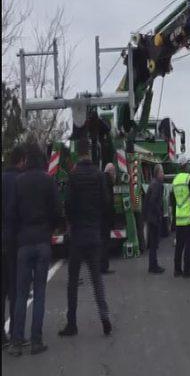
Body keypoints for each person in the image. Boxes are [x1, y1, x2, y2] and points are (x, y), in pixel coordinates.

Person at [9, 143, 62, 356]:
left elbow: (11, 213)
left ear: (26, 160)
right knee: (39, 293)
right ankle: (36, 341)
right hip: (42, 241)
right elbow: (57, 210)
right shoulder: (48, 181)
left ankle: (16, 342)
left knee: (21, 294)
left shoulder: (19, 182)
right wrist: (50, 228)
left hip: (24, 243)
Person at [58, 138, 112, 338]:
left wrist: (71, 224)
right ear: (89, 153)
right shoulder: (98, 176)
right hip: (94, 234)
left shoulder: (73, 176)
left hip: (78, 236)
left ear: (77, 154)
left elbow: (68, 205)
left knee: (73, 282)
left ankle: (72, 324)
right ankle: (105, 319)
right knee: (97, 280)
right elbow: (106, 203)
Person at [2, 145, 26, 350]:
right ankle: (16, 334)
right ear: (21, 161)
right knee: (16, 289)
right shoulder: (19, 181)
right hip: (15, 242)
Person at [171, 157, 190, 278]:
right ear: (185, 166)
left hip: (179, 217)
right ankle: (187, 270)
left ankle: (177, 270)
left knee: (179, 245)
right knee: (189, 244)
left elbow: (173, 201)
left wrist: (174, 217)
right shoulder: (189, 178)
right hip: (188, 217)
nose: (189, 166)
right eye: (188, 164)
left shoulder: (175, 180)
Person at [143, 164, 165, 274]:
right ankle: (153, 266)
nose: (163, 174)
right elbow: (153, 201)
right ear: (157, 173)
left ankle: (153, 265)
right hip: (154, 218)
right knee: (154, 244)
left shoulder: (152, 184)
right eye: (162, 172)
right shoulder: (157, 185)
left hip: (150, 217)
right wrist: (159, 213)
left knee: (153, 243)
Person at [100, 163, 116, 275]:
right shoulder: (108, 182)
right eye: (114, 172)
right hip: (104, 218)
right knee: (104, 242)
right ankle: (103, 267)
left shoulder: (101, 179)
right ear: (110, 172)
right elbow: (108, 201)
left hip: (99, 217)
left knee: (101, 242)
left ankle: (101, 266)